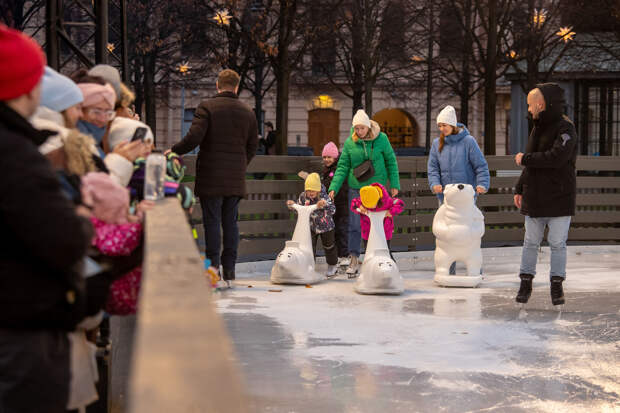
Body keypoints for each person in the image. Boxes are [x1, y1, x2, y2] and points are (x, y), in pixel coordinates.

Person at [0, 24, 92, 413]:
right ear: (28, 88)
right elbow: (64, 238)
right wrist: (83, 217)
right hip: (20, 329)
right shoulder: (14, 155)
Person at [168, 69, 258, 286]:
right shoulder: (248, 112)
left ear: (218, 85)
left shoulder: (207, 107)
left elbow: (194, 138)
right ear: (237, 87)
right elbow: (252, 146)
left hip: (211, 176)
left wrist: (173, 151)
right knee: (231, 223)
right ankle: (230, 272)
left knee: (212, 222)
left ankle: (213, 269)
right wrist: (239, 165)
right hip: (235, 178)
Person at [514, 83, 577, 306]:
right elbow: (531, 161)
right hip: (535, 195)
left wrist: (525, 159)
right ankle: (525, 282)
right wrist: (520, 187)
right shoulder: (536, 127)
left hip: (560, 195)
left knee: (557, 243)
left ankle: (556, 284)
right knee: (530, 241)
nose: (529, 110)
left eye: (531, 105)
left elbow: (556, 158)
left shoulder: (566, 129)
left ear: (541, 104)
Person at [328, 109, 400, 276]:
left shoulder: (382, 139)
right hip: (356, 188)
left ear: (368, 127)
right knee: (354, 224)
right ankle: (353, 257)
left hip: (377, 189)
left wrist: (394, 184)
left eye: (361, 128)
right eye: (356, 128)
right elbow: (343, 166)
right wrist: (334, 187)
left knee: (379, 223)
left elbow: (391, 161)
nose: (358, 131)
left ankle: (381, 255)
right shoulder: (350, 142)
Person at [427, 105, 490, 275]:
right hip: (446, 196)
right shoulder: (437, 144)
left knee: (468, 231)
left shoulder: (468, 142)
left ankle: (475, 268)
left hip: (466, 196)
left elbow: (481, 165)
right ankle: (448, 269)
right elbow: (433, 168)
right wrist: (435, 184)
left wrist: (482, 184)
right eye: (439, 126)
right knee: (447, 233)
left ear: (453, 125)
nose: (441, 129)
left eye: (444, 125)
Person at [286, 173, 338, 277]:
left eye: (313, 190)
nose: (310, 193)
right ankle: (310, 266)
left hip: (326, 227)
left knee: (329, 246)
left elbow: (333, 210)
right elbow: (299, 209)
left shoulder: (324, 196)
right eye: (308, 190)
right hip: (310, 226)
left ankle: (332, 265)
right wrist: (293, 206)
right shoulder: (303, 196)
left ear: (318, 190)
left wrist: (324, 205)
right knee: (309, 247)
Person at [351, 184, 405, 267]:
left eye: (372, 205)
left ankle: (391, 267)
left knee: (385, 250)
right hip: (367, 232)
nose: (371, 208)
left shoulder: (387, 201)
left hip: (385, 232)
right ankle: (369, 267)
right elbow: (353, 203)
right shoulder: (364, 198)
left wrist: (391, 211)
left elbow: (400, 204)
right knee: (369, 251)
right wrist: (360, 207)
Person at [320, 141, 349, 266]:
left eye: (329, 157)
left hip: (342, 205)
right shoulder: (326, 170)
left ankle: (344, 255)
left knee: (342, 230)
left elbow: (332, 184)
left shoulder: (338, 169)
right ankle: (338, 256)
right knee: (334, 230)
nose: (326, 159)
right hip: (332, 207)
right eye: (324, 157)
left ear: (335, 157)